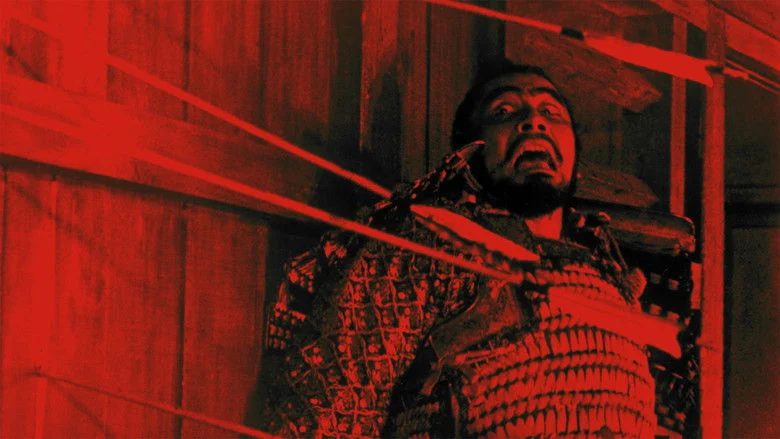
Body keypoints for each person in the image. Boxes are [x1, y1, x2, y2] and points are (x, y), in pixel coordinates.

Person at [258, 58, 656, 438]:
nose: (533, 121)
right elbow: (329, 412)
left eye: (551, 112)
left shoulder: (609, 276)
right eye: (504, 111)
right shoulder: (431, 247)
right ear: (468, 153)